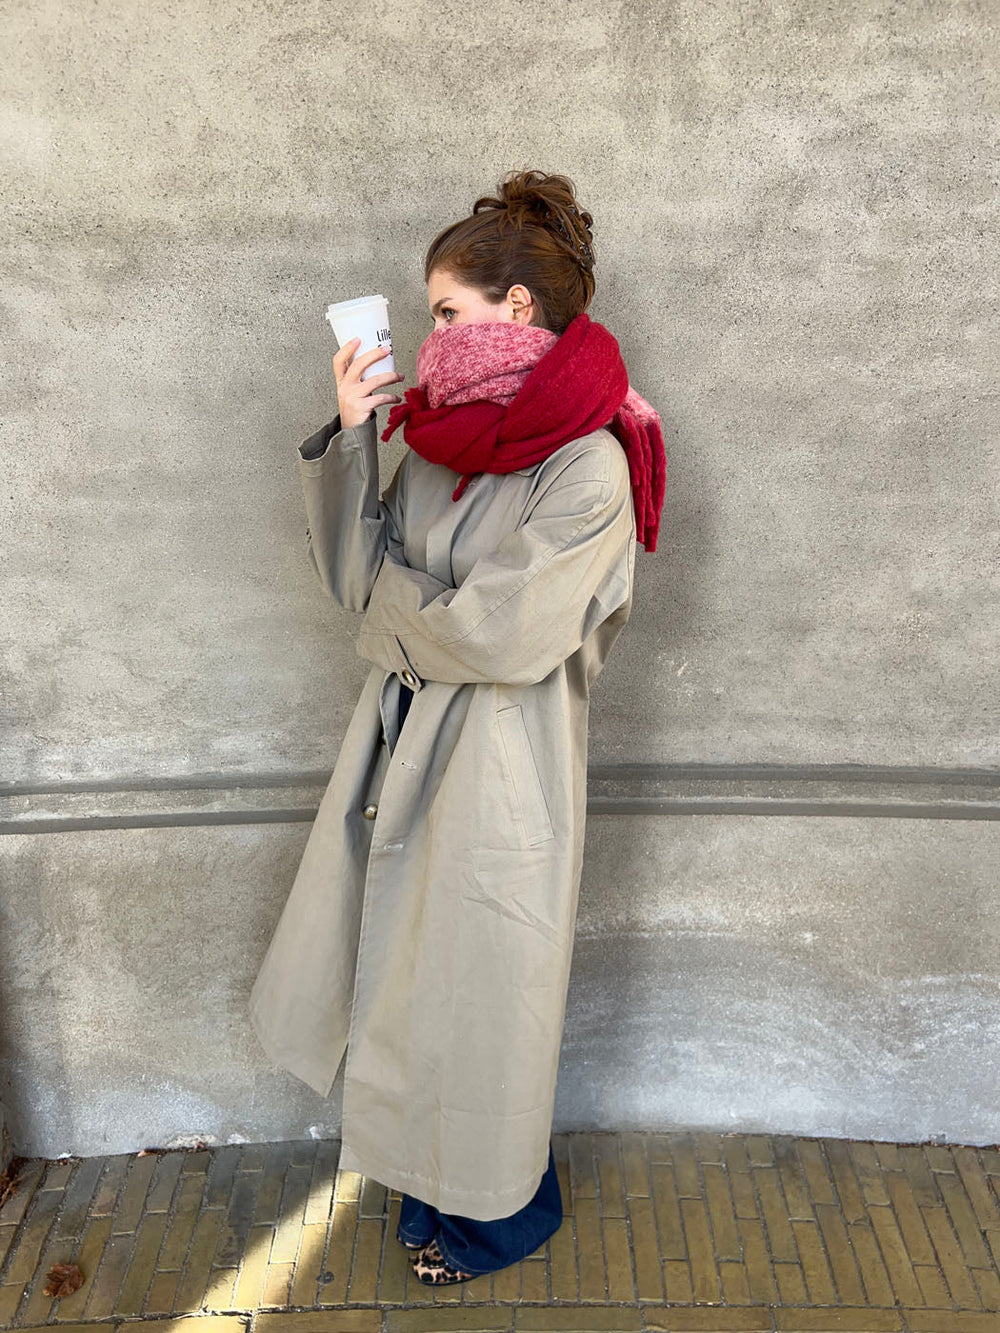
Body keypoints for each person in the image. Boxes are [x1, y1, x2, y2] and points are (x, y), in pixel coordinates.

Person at [249, 168, 666, 1285]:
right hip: (397, 743)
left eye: (444, 311)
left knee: (484, 995)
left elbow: (498, 636)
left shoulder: (590, 462)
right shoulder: (438, 439)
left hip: (502, 765)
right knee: (406, 980)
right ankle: (432, 1186)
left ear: (515, 308)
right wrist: (356, 434)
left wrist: (398, 618)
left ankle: (503, 1216)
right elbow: (355, 576)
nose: (429, 334)